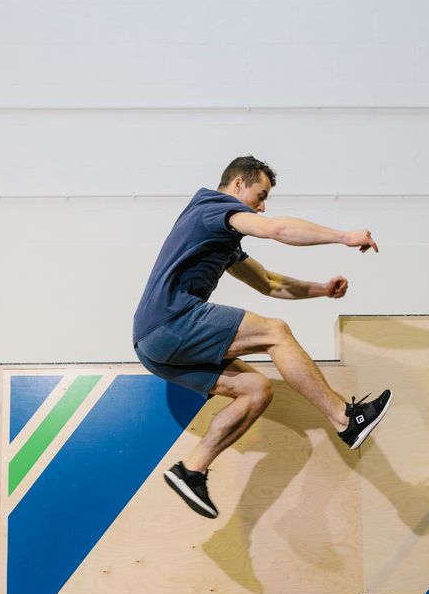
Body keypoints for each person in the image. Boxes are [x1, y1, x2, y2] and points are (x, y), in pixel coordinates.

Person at [133, 155, 391, 518]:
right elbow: (276, 229)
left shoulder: (218, 233)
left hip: (153, 346)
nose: (262, 205)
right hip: (171, 320)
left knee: (256, 391)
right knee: (276, 332)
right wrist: (344, 236)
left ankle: (191, 469)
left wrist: (321, 289)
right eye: (260, 194)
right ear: (238, 184)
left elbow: (269, 283)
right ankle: (346, 420)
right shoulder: (214, 206)